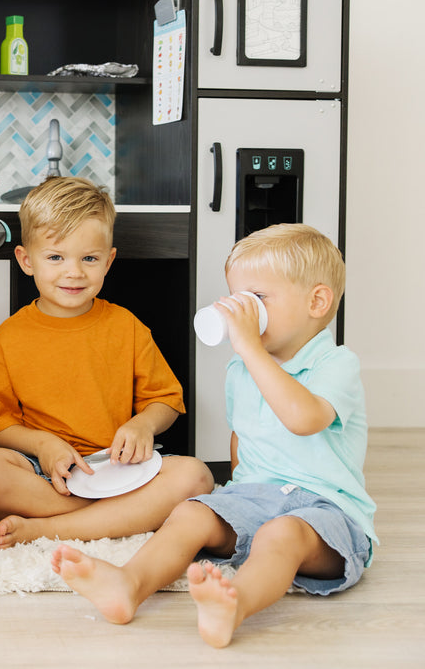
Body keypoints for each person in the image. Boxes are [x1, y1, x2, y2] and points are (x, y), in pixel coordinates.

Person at [51, 223, 378, 646]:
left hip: (326, 511)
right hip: (255, 496)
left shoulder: (337, 364)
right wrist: (231, 500)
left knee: (281, 534)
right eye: (237, 299)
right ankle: (128, 584)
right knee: (190, 513)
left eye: (256, 299)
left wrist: (251, 350)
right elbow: (241, 437)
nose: (241, 312)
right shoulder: (241, 368)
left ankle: (234, 602)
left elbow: (303, 418)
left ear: (317, 301)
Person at [0, 176, 213, 548]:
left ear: (109, 261)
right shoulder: (6, 339)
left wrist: (143, 425)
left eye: (89, 259)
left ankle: (53, 528)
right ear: (26, 260)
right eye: (55, 257)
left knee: (196, 475)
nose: (74, 272)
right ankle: (115, 514)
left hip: (118, 465)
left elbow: (166, 401)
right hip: (44, 472)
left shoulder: (126, 326)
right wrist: (43, 445)